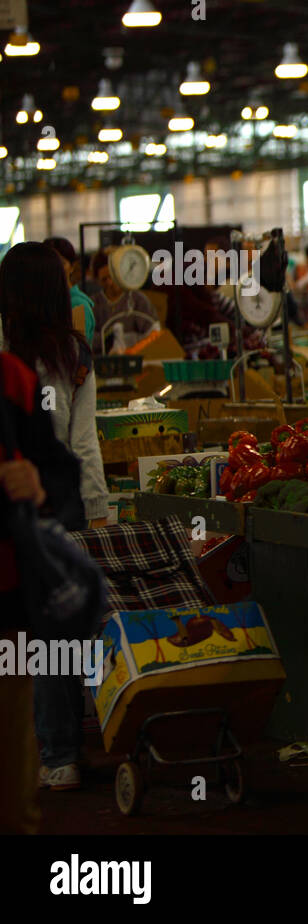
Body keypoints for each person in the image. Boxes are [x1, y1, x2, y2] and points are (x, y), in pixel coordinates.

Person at [0, 242, 110, 794]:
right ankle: (70, 747)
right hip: (66, 509)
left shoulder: (6, 355)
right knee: (65, 630)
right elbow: (85, 445)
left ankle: (56, 752)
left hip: (18, 518)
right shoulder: (74, 354)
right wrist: (99, 511)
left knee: (33, 637)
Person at [0, 347, 85, 830]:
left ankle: (59, 753)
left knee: (12, 795)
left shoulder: (13, 378)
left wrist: (39, 485)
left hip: (8, 606)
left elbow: (60, 468)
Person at [89, 248, 159, 354]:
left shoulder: (137, 300)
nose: (110, 283)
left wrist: (132, 348)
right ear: (97, 280)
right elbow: (88, 337)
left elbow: (153, 334)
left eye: (112, 277)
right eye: (104, 279)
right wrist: (108, 341)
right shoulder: (94, 304)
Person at [43, 238, 96, 344]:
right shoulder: (47, 300)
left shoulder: (78, 304)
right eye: (49, 264)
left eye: (61, 263)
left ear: (72, 267)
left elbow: (78, 353)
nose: (55, 269)